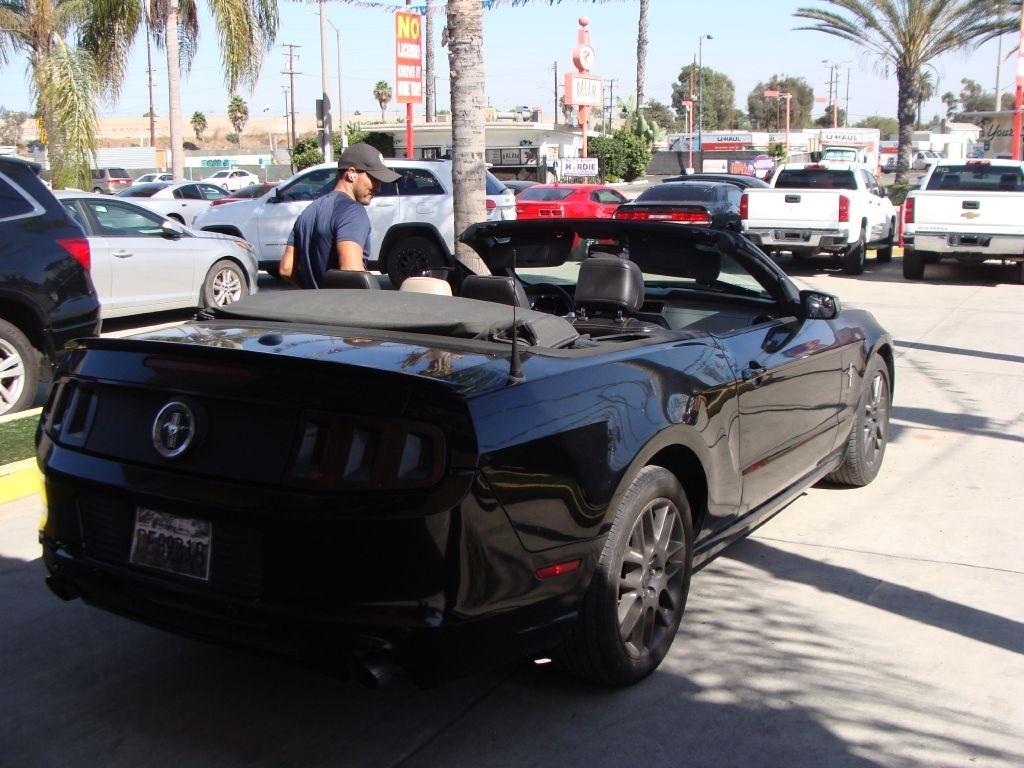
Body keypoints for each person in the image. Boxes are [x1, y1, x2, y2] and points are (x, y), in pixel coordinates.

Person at [279, 142, 400, 288]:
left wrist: (311, 292)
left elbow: (286, 269)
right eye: (374, 179)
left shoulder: (308, 212)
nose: (378, 187)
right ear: (351, 173)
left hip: (312, 307)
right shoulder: (353, 212)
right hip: (343, 309)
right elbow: (352, 273)